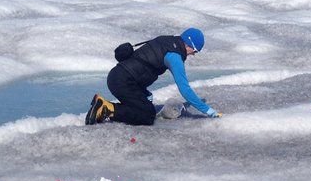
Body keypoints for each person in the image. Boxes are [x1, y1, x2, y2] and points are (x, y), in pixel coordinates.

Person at [86, 28, 221, 125]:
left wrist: (145, 93)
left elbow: (142, 63)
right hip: (123, 81)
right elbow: (185, 89)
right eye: (195, 51)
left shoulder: (166, 40)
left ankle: (103, 107)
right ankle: (106, 108)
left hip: (118, 76)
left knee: (144, 108)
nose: (193, 54)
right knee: (147, 115)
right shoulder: (174, 57)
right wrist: (208, 111)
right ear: (190, 44)